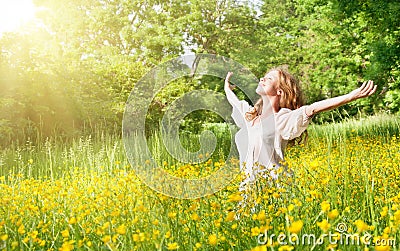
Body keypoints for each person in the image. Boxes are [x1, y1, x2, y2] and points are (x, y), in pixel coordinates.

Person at [224, 67, 377, 189]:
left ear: (279, 91)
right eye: (264, 77)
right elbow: (235, 102)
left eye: (269, 78)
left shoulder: (282, 118)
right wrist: (227, 88)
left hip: (273, 189)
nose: (262, 79)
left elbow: (313, 108)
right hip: (248, 189)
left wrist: (350, 96)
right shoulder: (251, 117)